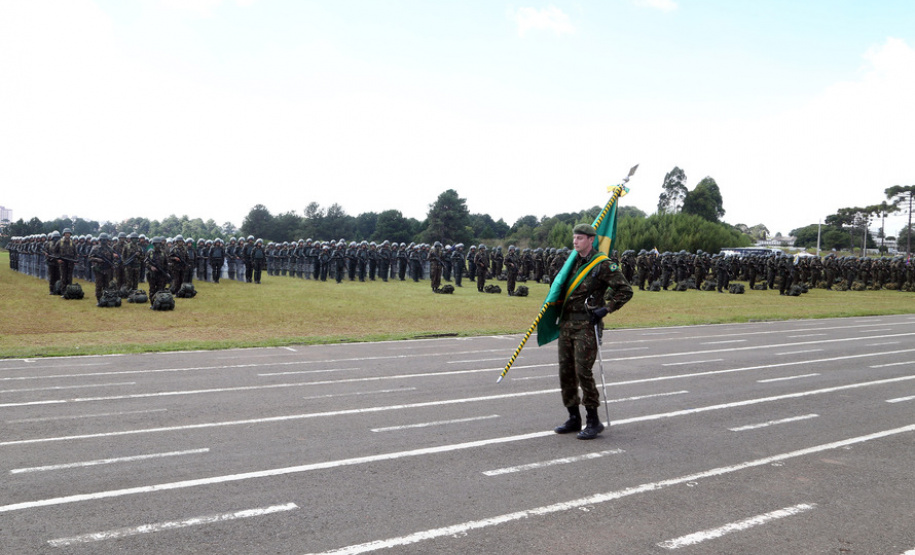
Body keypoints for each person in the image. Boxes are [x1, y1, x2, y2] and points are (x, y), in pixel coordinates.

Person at [553, 224, 632, 440]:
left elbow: (625, 290)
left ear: (591, 239)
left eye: (580, 238)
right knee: (566, 372)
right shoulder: (571, 263)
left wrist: (606, 308)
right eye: (574, 238)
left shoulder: (602, 264)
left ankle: (593, 420)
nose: (575, 241)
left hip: (587, 325)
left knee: (583, 371)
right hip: (566, 324)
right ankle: (573, 417)